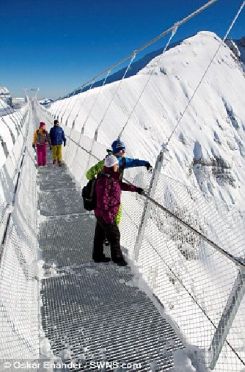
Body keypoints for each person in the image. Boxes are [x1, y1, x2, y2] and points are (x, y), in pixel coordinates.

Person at [86, 139, 152, 225]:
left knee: (108, 212)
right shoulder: (114, 161)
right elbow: (89, 173)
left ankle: (108, 230)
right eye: (121, 149)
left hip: (111, 190)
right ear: (116, 151)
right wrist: (96, 183)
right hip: (109, 191)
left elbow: (134, 162)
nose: (124, 151)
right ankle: (111, 229)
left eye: (124, 149)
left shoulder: (119, 160)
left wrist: (145, 163)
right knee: (112, 211)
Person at [93, 154, 144, 266]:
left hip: (102, 213)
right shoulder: (105, 180)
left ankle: (97, 256)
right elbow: (102, 201)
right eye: (116, 164)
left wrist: (136, 189)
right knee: (114, 235)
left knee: (100, 235)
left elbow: (121, 185)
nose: (118, 166)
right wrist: (109, 218)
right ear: (112, 166)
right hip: (105, 214)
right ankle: (117, 259)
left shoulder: (111, 177)